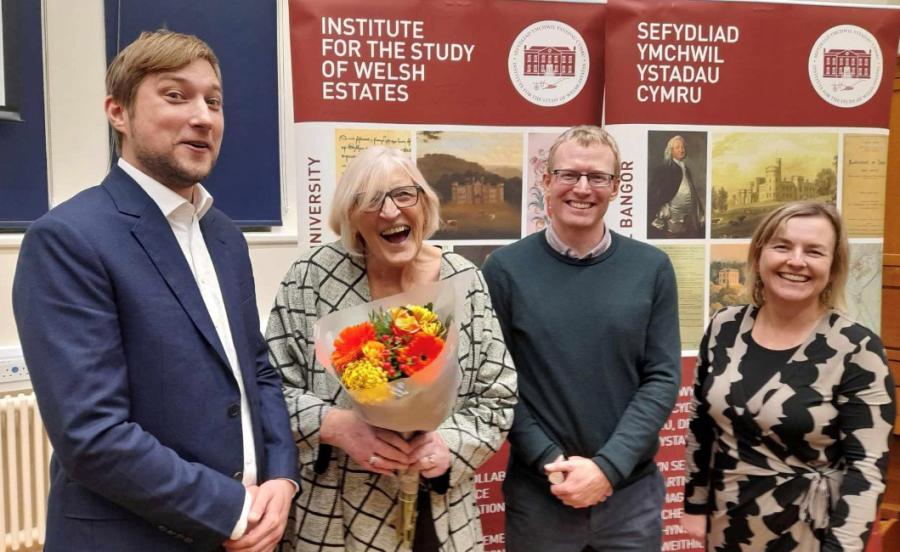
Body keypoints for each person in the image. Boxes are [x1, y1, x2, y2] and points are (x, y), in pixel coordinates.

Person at [12, 30, 298, 551]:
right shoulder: (68, 239)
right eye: (175, 95)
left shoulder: (225, 235)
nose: (203, 116)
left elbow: (254, 369)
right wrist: (232, 510)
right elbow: (93, 435)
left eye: (213, 101)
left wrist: (282, 476)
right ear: (117, 112)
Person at [265, 146, 517, 551]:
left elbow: (498, 396)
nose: (389, 212)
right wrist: (337, 426)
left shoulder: (464, 279)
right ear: (350, 216)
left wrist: (447, 445)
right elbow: (269, 387)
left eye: (404, 195)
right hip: (336, 513)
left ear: (425, 204)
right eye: (369, 200)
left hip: (441, 512)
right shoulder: (310, 277)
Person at [482, 125, 681, 551]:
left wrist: (607, 468)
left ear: (616, 187)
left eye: (598, 177)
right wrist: (552, 462)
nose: (582, 188)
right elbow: (497, 383)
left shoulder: (652, 268)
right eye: (569, 174)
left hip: (629, 497)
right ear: (547, 181)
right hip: (541, 495)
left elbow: (662, 378)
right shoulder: (504, 270)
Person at [683, 201, 895, 551]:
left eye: (814, 251)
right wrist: (694, 504)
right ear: (759, 254)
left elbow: (866, 471)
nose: (796, 261)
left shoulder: (857, 349)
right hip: (726, 523)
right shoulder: (725, 326)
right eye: (782, 246)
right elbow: (702, 425)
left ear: (833, 266)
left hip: (810, 531)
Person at [648, 135, 704, 239]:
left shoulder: (685, 168)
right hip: (672, 214)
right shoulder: (665, 168)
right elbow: (655, 192)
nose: (681, 150)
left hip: (689, 215)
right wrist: (663, 206)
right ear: (671, 150)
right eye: (677, 147)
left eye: (682, 147)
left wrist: (699, 210)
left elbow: (692, 190)